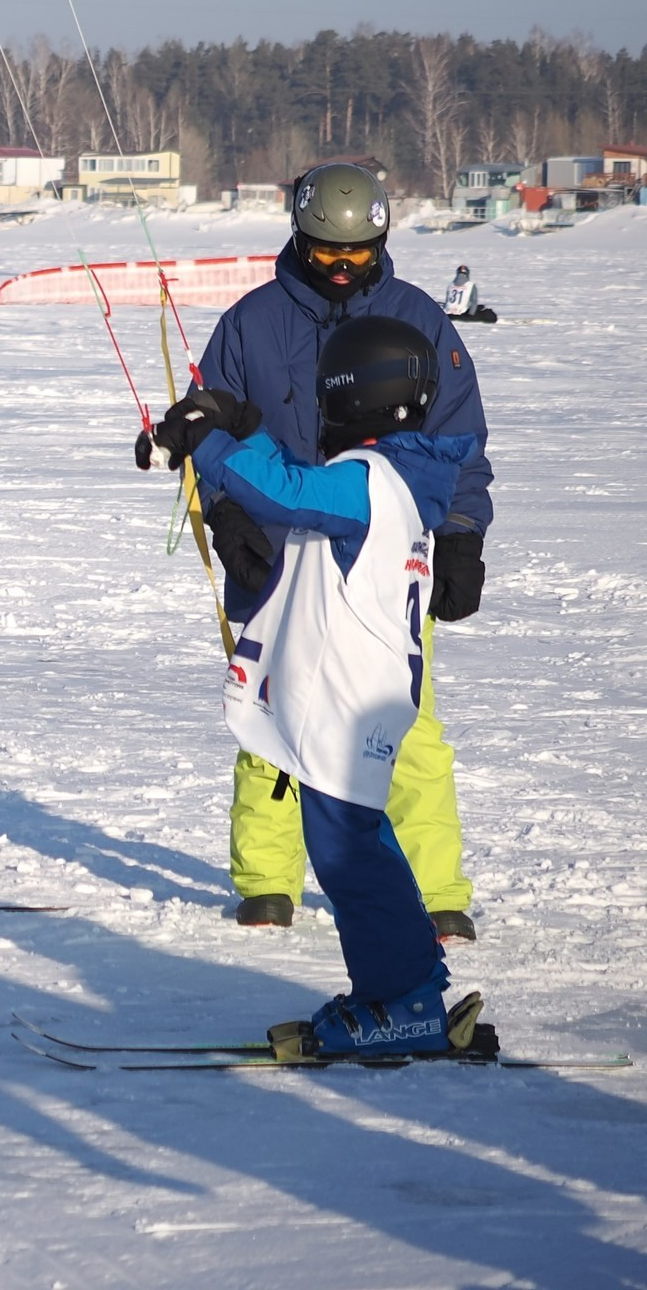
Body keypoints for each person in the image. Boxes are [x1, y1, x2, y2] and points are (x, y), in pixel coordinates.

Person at [146, 318, 478, 1057]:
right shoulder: (394, 477)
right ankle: (406, 983)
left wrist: (214, 442)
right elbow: (297, 482)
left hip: (353, 700)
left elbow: (287, 494)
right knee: (352, 843)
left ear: (353, 398)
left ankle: (406, 1002)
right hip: (360, 694)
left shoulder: (370, 484)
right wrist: (242, 421)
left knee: (349, 853)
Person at [195, 162, 491, 938]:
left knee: (407, 722)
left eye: (356, 254)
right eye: (325, 250)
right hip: (281, 555)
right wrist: (228, 521)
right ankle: (267, 881)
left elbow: (458, 442)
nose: (339, 267)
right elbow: (214, 434)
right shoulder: (251, 324)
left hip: (386, 556)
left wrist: (461, 537)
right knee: (271, 708)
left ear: (382, 241)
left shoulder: (417, 319)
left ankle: (435, 893)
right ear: (299, 236)